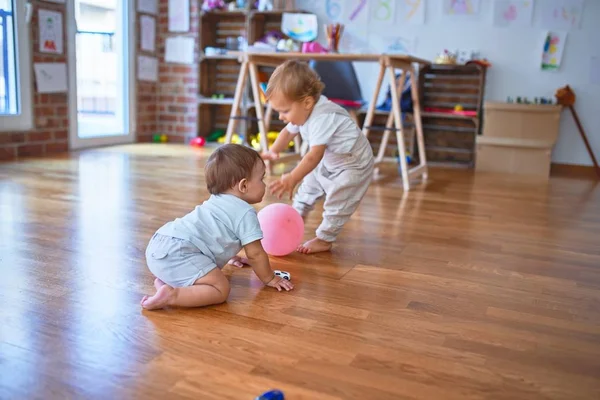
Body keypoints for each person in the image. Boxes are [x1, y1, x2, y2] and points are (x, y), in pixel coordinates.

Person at [141, 144, 294, 310]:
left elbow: (212, 234)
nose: (264, 184)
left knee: (198, 271)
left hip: (159, 244)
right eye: (261, 179)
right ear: (243, 186)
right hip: (180, 252)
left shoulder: (215, 200)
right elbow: (256, 253)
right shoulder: (245, 213)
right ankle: (172, 296)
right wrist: (270, 278)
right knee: (220, 288)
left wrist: (230, 255)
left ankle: (163, 283)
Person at [262, 60, 374, 254]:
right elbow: (287, 133)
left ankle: (325, 238)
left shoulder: (322, 117)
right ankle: (294, 217)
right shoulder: (303, 111)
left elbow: (313, 156)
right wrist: (274, 150)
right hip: (332, 159)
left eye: (284, 111)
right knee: (308, 188)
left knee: (338, 201)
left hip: (353, 165)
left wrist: (292, 177)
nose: (281, 117)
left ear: (307, 102)